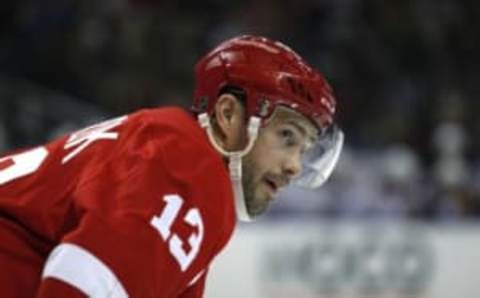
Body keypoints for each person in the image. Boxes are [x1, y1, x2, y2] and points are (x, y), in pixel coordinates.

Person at [0, 35, 343, 297]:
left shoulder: (169, 148)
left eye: (304, 148)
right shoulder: (191, 170)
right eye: (287, 136)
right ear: (228, 115)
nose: (295, 166)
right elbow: (80, 279)